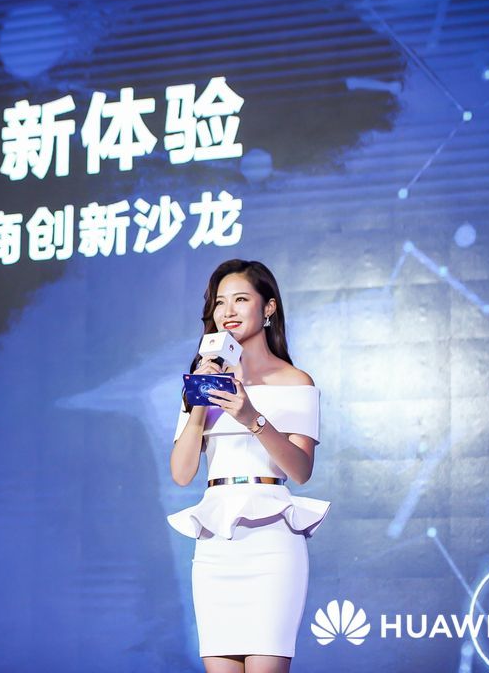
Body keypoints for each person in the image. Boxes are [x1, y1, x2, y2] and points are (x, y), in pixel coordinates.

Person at [167, 259, 330, 673]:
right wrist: (199, 400)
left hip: (271, 544)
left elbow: (300, 470)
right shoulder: (201, 380)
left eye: (241, 299)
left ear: (268, 307)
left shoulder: (296, 381)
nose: (228, 311)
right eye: (220, 302)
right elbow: (182, 474)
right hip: (215, 545)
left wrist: (250, 416)